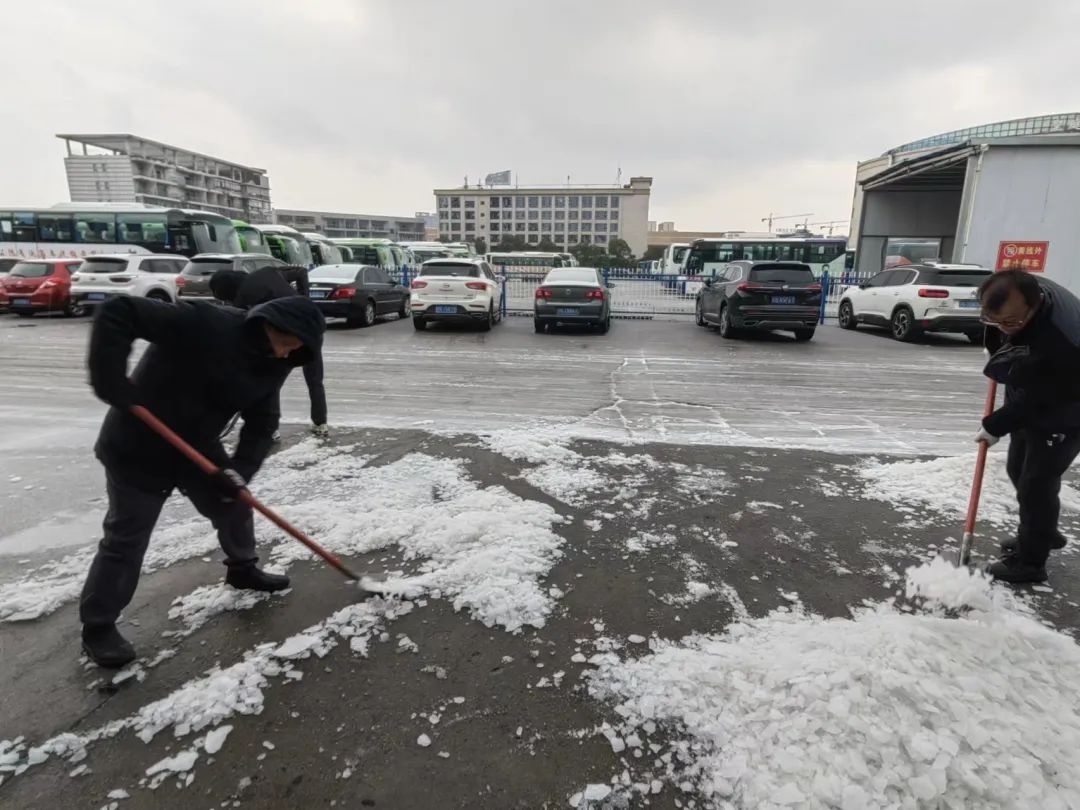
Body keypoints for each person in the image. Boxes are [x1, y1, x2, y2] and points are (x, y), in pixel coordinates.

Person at [80, 294, 325, 667]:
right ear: (272, 327)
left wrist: (239, 472)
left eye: (296, 352)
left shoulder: (277, 363)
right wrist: (108, 377)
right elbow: (119, 311)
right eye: (287, 345)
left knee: (235, 506)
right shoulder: (205, 323)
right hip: (138, 444)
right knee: (126, 538)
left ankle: (243, 570)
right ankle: (98, 627)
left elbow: (262, 424)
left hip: (197, 447)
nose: (286, 356)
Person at [976, 268, 1080, 583]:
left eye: (1010, 323)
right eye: (992, 319)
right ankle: (1043, 533)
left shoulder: (1063, 341)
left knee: (1036, 483)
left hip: (1067, 406)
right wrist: (998, 343)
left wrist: (994, 425)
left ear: (1034, 307)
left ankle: (1031, 563)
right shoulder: (1022, 291)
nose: (1002, 329)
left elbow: (1041, 397)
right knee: (1018, 468)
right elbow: (1006, 329)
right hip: (1035, 384)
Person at [210, 265, 329, 438]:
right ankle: (320, 423)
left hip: (285, 337)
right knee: (314, 380)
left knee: (272, 384)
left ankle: (271, 429)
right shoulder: (267, 272)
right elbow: (302, 272)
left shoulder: (243, 299)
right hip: (310, 326)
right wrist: (304, 298)